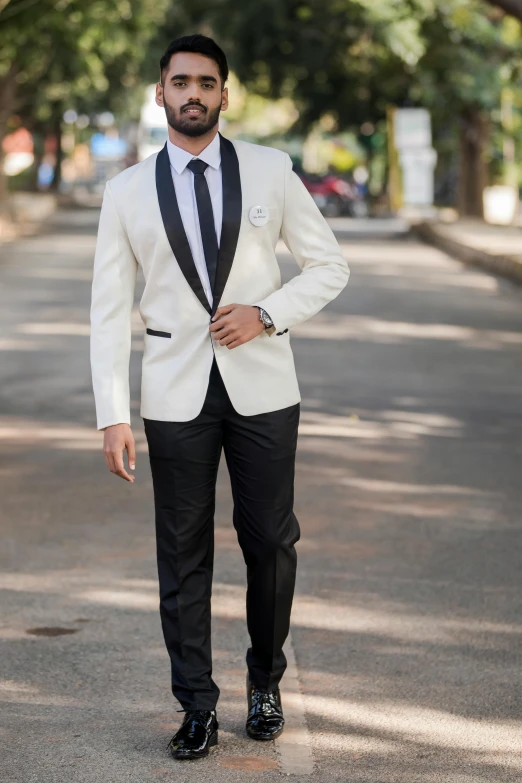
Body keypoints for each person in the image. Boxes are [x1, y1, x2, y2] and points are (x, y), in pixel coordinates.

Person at [89, 34, 350, 761]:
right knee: (182, 552)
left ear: (225, 94)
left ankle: (266, 681)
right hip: (172, 394)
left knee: (270, 540)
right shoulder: (127, 191)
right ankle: (196, 704)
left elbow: (330, 266)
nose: (193, 93)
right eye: (181, 82)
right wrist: (112, 411)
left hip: (264, 384)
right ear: (161, 92)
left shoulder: (270, 171)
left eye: (207, 82)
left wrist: (266, 311)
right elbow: (109, 309)